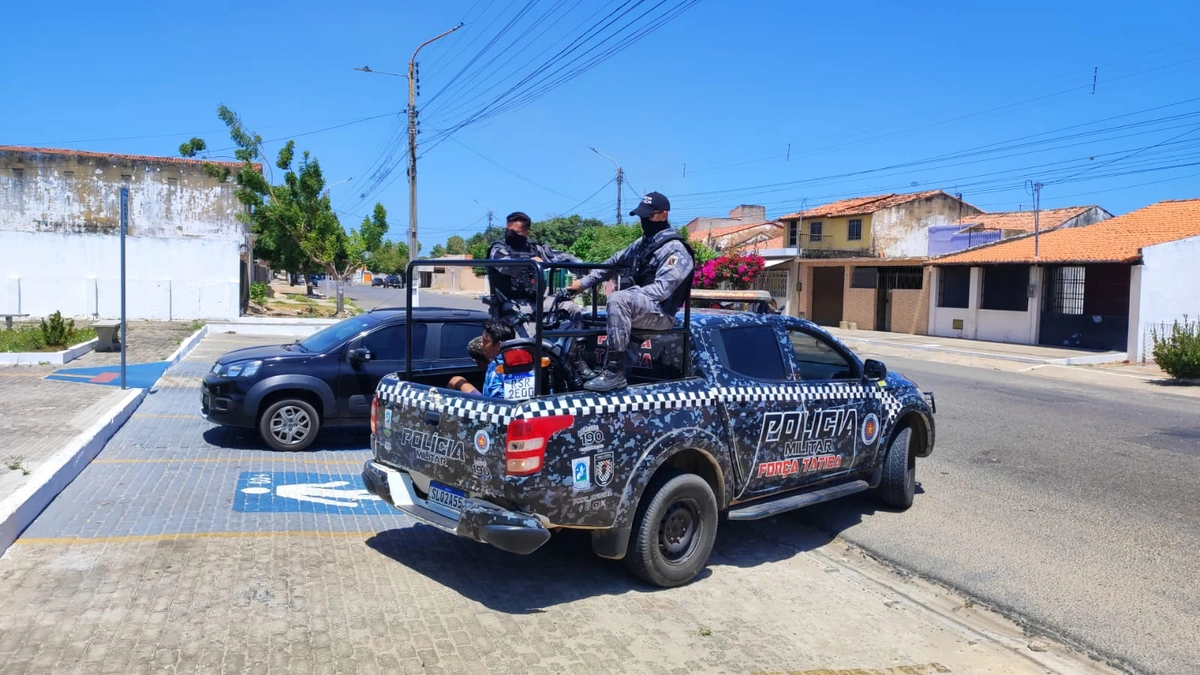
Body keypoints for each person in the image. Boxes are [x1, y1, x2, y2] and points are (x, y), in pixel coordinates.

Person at [567, 191, 694, 392]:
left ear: (664, 215)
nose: (644, 220)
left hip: (661, 313)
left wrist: (629, 295)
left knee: (619, 299)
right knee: (609, 390)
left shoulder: (675, 249)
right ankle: (608, 375)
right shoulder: (643, 244)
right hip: (641, 309)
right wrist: (582, 284)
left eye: (649, 216)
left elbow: (662, 290)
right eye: (642, 216)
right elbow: (612, 264)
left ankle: (614, 371)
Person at [487, 211, 595, 381]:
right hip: (511, 305)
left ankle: (574, 360)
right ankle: (526, 380)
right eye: (507, 230)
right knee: (527, 343)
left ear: (526, 233)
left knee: (572, 309)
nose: (509, 234)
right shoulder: (498, 249)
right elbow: (506, 266)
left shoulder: (536, 249)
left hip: (538, 301)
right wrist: (532, 262)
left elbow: (563, 258)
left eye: (515, 232)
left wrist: (590, 271)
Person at [447, 321, 515, 397]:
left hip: (491, 405)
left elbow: (493, 402)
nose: (481, 344)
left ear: (499, 345)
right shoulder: (521, 358)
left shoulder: (495, 367)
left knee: (455, 380)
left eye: (485, 341)